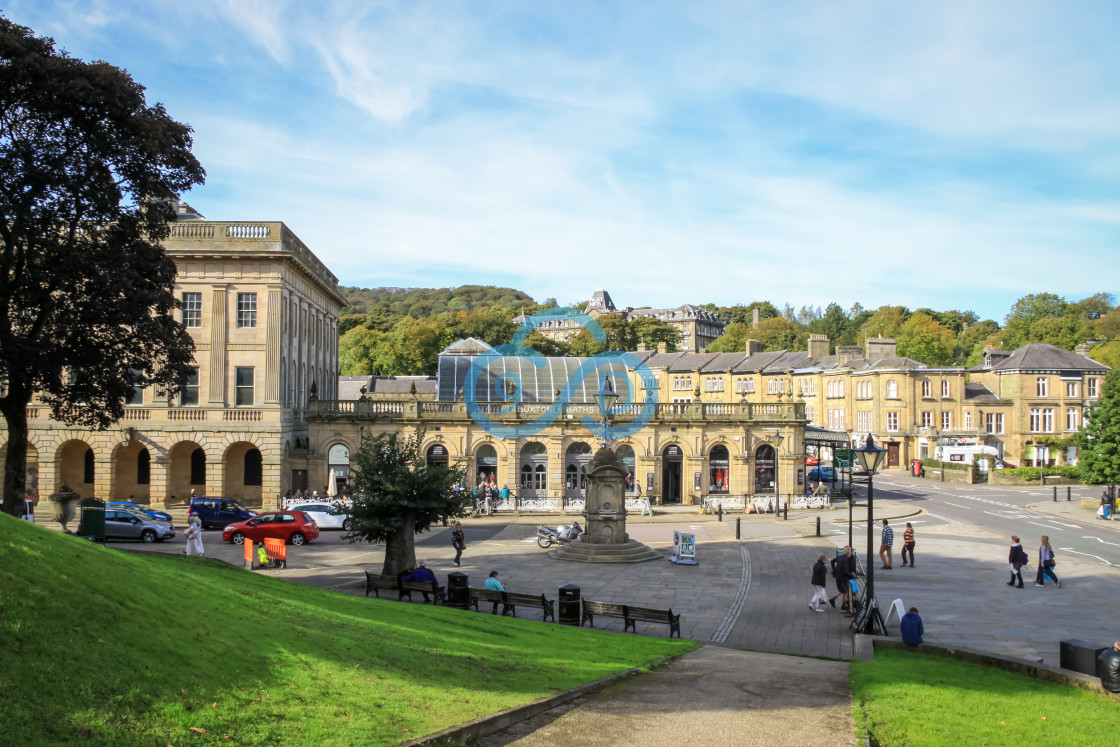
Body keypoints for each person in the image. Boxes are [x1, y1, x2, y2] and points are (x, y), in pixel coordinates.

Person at [828, 546, 855, 614]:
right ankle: (843, 605)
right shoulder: (845, 560)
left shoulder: (840, 557)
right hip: (842, 578)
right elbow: (845, 571)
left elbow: (832, 561)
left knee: (843, 590)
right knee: (845, 591)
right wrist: (851, 575)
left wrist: (834, 570)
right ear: (848, 553)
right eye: (850, 552)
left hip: (839, 577)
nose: (851, 554)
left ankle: (833, 599)